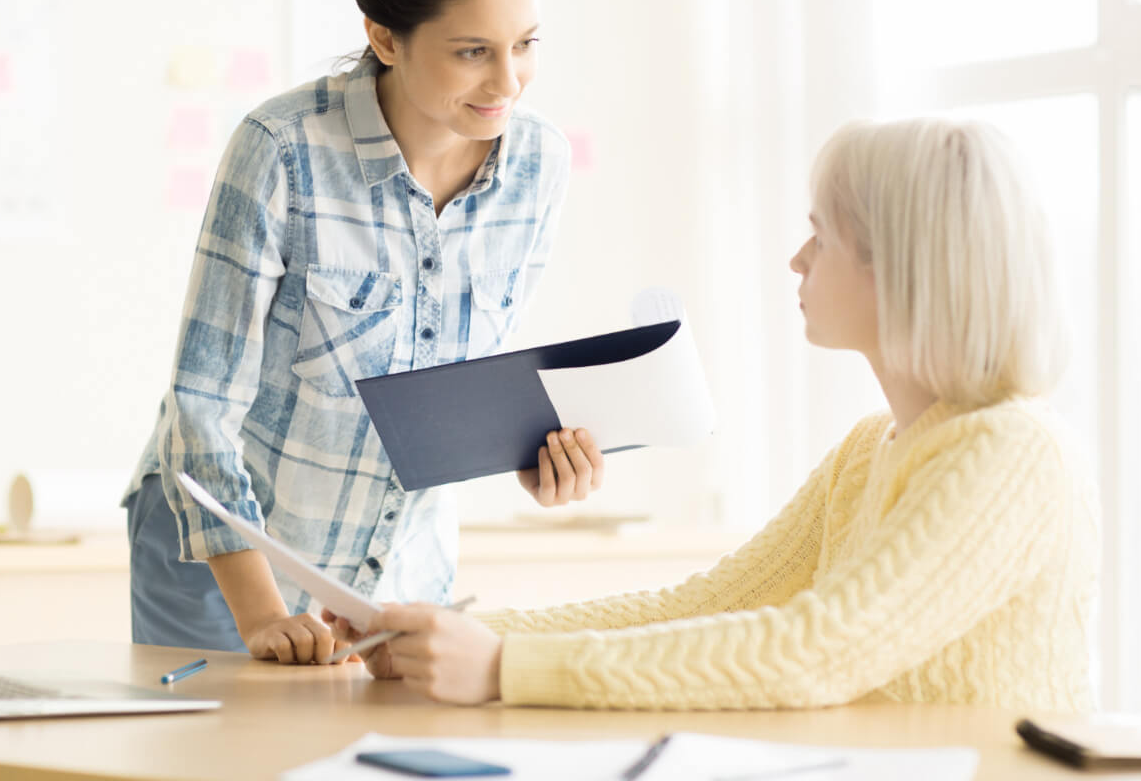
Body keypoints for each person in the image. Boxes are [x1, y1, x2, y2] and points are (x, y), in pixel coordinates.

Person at [327, 116, 1100, 711]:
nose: (797, 260)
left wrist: (503, 668)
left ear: (899, 269)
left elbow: (817, 651)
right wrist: (453, 638)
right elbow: (704, 607)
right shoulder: (871, 450)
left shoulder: (1014, 454)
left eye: (821, 237)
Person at [123, 0, 605, 665]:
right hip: (227, 563)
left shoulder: (538, 162)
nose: (508, 82)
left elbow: (463, 373)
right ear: (384, 37)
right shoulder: (282, 149)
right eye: (473, 51)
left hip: (399, 565)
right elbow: (200, 406)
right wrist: (261, 614)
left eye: (525, 44)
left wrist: (530, 455)